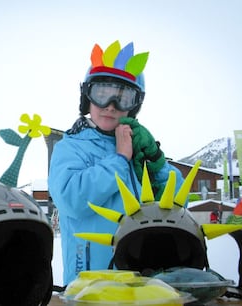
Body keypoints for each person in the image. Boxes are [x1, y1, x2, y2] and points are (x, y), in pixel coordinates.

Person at [48, 40, 184, 286]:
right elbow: (71, 200)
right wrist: (120, 159)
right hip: (90, 284)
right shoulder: (71, 147)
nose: (111, 105)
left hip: (142, 279)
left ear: (134, 106)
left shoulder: (137, 145)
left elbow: (178, 206)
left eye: (123, 97)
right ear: (86, 97)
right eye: (102, 93)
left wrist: (156, 162)